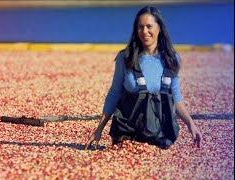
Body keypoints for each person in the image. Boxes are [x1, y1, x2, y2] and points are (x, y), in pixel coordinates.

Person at [85, 6, 202, 149]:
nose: (144, 32)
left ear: (159, 28)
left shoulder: (171, 59)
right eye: (140, 27)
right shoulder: (125, 58)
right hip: (127, 134)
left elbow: (176, 98)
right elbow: (114, 93)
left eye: (149, 26)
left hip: (159, 135)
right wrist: (99, 129)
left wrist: (191, 124)